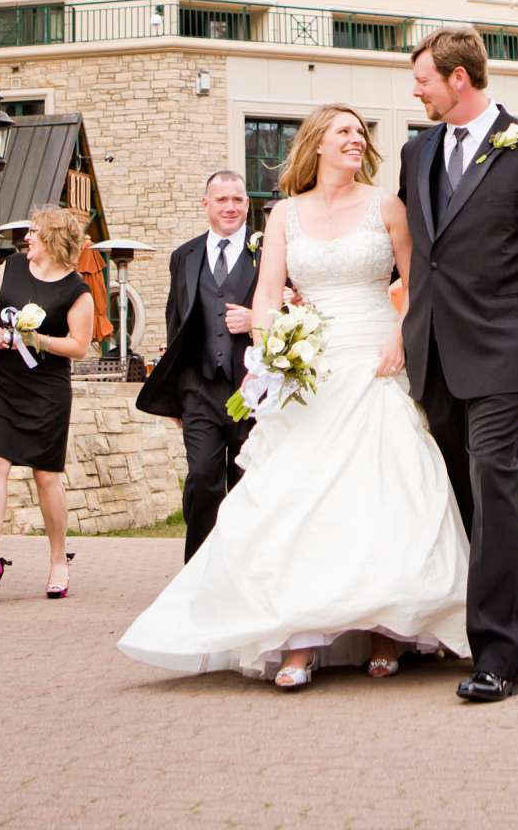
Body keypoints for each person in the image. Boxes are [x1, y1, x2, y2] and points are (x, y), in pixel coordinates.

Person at [118, 104, 468, 688]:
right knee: (300, 500)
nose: (356, 140)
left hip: (375, 361)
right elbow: (265, 298)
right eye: (344, 133)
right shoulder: (283, 214)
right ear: (317, 144)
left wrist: (398, 337)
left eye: (360, 133)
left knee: (381, 493)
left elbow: (419, 282)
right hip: (311, 369)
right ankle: (298, 638)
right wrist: (275, 348)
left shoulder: (387, 206)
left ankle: (389, 628)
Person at [397, 28, 518, 702]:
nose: (415, 91)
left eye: (422, 79)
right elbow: (416, 251)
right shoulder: (415, 153)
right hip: (433, 354)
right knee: (458, 496)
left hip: (506, 350)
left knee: (494, 484)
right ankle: (453, 625)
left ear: (458, 79)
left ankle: (499, 654)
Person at [0, 208, 96, 601]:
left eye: (35, 233)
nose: (27, 239)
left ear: (55, 240)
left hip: (46, 389)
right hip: (2, 381)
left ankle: (59, 558)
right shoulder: (12, 267)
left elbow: (79, 346)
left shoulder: (77, 291)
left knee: (46, 475)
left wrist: (37, 339)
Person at [133, 170, 258, 559]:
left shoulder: (268, 252)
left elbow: (288, 310)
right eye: (222, 199)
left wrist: (255, 318)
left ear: (247, 204)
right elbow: (176, 326)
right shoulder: (183, 257)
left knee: (246, 480)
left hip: (252, 388)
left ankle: (242, 567)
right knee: (203, 477)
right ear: (206, 204)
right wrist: (174, 396)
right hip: (199, 388)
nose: (230, 207)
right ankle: (198, 568)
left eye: (238, 199)